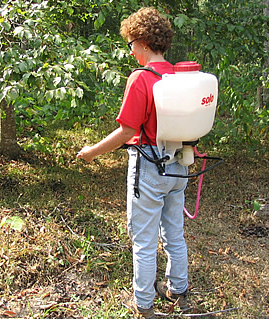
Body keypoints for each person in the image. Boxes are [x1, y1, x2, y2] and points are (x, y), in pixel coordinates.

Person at [77, 7, 190, 319]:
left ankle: (144, 303)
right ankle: (178, 289)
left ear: (141, 41)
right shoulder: (181, 77)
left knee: (143, 238)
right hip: (180, 164)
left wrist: (91, 152)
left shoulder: (142, 78)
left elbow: (128, 129)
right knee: (174, 232)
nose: (130, 52)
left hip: (149, 166)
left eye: (130, 44)